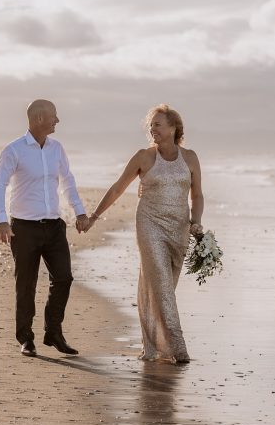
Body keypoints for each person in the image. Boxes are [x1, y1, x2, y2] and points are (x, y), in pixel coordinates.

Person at [87, 104, 204, 363]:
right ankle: (177, 347)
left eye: (158, 124)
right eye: (151, 125)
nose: (153, 129)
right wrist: (94, 216)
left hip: (179, 227)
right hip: (150, 224)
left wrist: (196, 222)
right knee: (161, 283)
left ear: (174, 127)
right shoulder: (143, 157)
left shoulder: (191, 157)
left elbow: (196, 194)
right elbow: (118, 188)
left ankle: (152, 345)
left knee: (163, 287)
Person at [0, 99, 91, 357]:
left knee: (64, 278)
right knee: (26, 284)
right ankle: (25, 338)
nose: (57, 120)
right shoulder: (14, 150)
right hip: (23, 228)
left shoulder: (57, 149)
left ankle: (53, 333)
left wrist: (79, 211)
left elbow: (67, 182)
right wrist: (1, 219)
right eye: (53, 116)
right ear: (38, 118)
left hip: (54, 225)